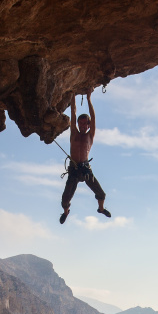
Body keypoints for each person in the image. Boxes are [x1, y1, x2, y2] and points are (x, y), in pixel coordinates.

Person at [60, 91, 112, 224]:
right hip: (74, 170)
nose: (82, 126)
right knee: (65, 199)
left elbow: (93, 117)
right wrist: (73, 96)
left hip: (85, 169)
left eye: (85, 124)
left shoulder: (90, 135)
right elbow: (73, 112)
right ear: (77, 124)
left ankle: (101, 209)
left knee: (102, 194)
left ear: (88, 125)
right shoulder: (74, 133)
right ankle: (66, 212)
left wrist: (89, 98)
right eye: (80, 123)